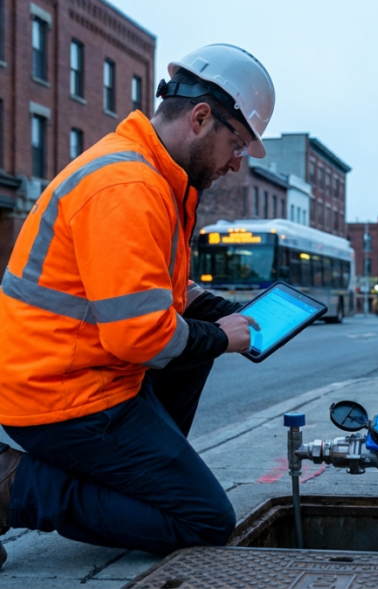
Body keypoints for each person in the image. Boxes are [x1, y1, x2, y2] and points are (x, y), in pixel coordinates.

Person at [0, 44, 275, 567]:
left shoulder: (151, 173)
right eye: (237, 144)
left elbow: (144, 285)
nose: (238, 164)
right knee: (204, 520)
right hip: (59, 396)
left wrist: (211, 307)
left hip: (79, 374)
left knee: (196, 335)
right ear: (200, 119)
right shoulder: (129, 186)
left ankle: (125, 473)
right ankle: (15, 488)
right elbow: (139, 337)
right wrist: (226, 336)